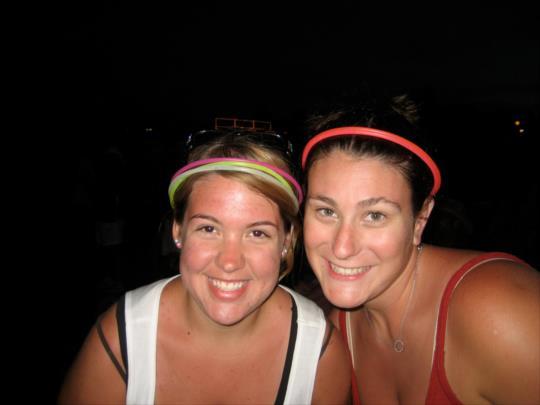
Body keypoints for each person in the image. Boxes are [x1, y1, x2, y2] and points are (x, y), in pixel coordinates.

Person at [58, 129, 351, 404]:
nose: (229, 262)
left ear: (286, 241)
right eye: (209, 229)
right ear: (178, 231)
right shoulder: (123, 338)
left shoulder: (318, 353)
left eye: (257, 233)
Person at [300, 94, 540, 404]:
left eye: (375, 216)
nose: (342, 247)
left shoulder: (499, 310)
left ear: (420, 219)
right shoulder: (335, 335)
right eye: (326, 211)